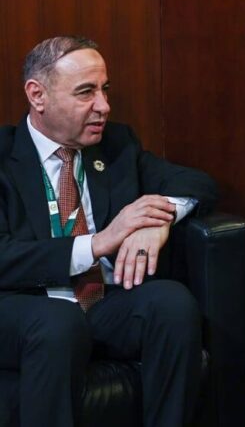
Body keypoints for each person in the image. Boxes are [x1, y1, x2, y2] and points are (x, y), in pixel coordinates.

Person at [0, 36, 218, 426]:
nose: (103, 106)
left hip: (101, 302)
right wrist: (99, 242)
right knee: (58, 323)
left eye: (105, 90)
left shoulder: (116, 144)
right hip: (25, 306)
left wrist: (158, 219)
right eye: (86, 92)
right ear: (37, 95)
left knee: (171, 303)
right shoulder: (3, 157)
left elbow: (197, 183)